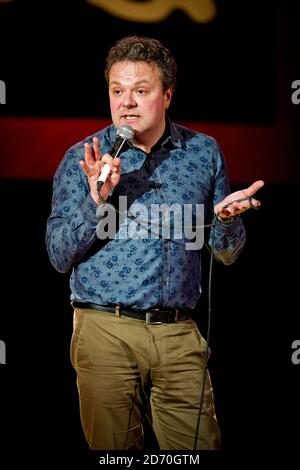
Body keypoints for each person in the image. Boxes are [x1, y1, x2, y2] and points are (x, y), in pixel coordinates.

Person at [46, 35, 264, 450]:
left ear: (166, 95)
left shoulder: (203, 153)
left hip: (180, 334)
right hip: (103, 329)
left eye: (140, 91)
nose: (126, 102)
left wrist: (224, 222)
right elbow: (58, 256)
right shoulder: (84, 159)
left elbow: (226, 254)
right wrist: (96, 200)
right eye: (116, 91)